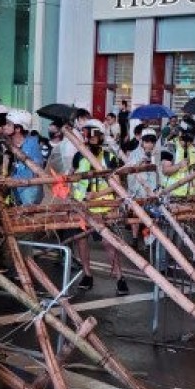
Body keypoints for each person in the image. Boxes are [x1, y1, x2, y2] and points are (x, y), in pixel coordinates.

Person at [72, 120, 126, 294]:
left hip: (104, 207)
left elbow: (116, 184)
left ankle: (119, 277)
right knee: (82, 240)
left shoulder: (109, 157)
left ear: (101, 137)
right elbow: (72, 177)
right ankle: (87, 275)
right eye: (88, 136)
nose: (91, 139)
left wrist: (97, 195)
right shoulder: (79, 156)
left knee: (109, 244)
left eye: (95, 136)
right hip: (83, 207)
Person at [2, 109, 44, 205]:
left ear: (18, 129)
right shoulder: (8, 144)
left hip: (29, 192)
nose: (5, 127)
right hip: (14, 192)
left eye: (8, 124)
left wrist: (11, 179)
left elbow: (31, 172)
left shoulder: (32, 144)